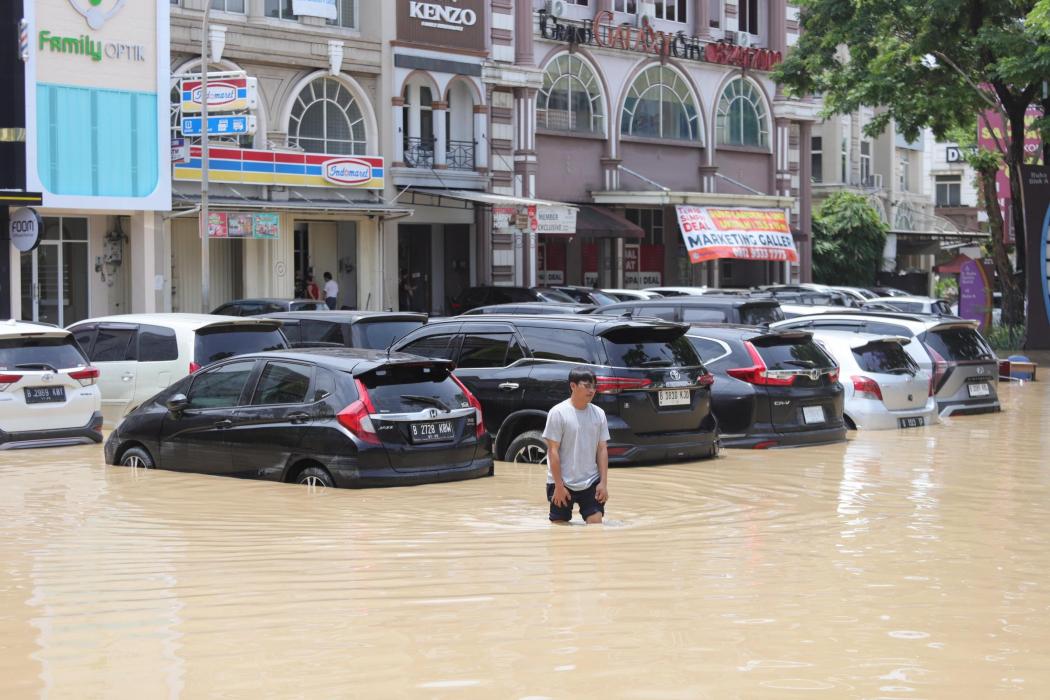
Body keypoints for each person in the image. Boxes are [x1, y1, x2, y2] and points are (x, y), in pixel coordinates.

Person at [542, 367, 610, 525]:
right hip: (561, 482)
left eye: (594, 386)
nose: (592, 390)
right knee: (559, 528)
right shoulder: (558, 413)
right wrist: (559, 486)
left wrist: (603, 483)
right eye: (587, 386)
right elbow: (553, 451)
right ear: (573, 386)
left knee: (596, 525)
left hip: (590, 481)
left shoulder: (599, 414)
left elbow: (602, 449)